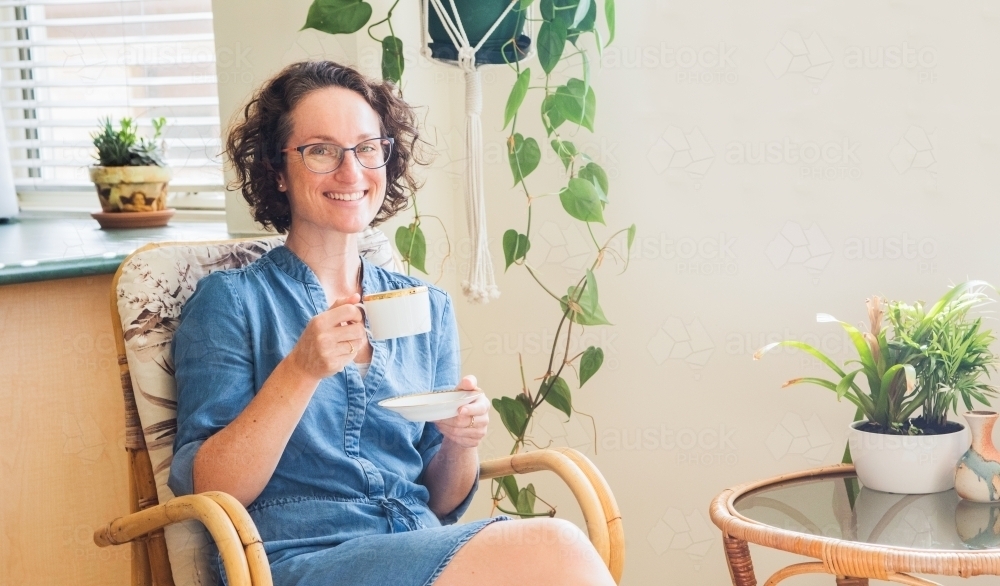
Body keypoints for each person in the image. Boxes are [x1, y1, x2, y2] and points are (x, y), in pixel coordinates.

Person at [168, 60, 616, 586]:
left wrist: (460, 441)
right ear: (276, 171)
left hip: (412, 542)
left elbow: (444, 499)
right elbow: (211, 488)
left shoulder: (427, 305)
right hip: (296, 556)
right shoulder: (232, 302)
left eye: (367, 148)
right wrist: (299, 371)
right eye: (320, 151)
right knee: (552, 545)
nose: (351, 172)